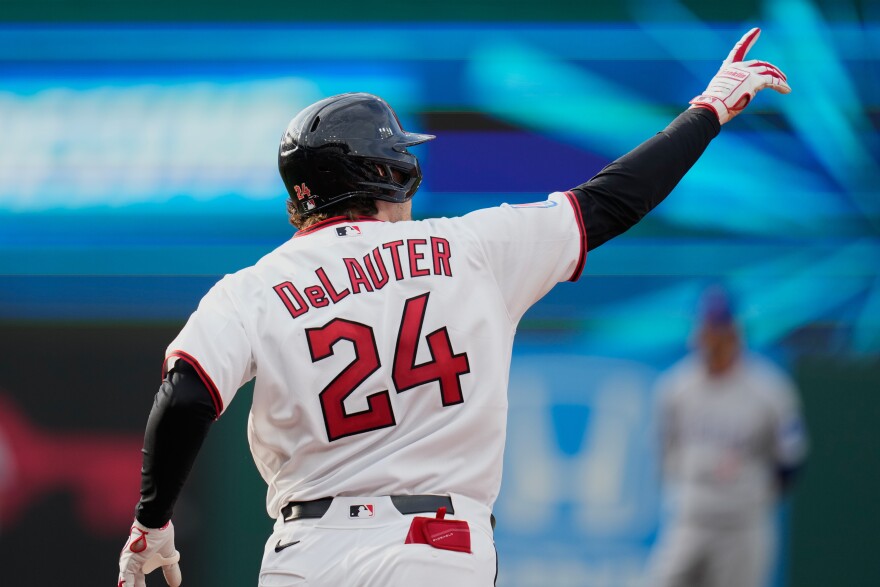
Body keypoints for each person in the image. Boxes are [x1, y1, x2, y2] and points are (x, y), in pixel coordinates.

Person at [117, 28, 791, 587]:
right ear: (384, 171)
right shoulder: (471, 246)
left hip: (305, 554)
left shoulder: (254, 287)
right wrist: (708, 110)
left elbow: (185, 397)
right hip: (435, 546)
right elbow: (610, 200)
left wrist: (152, 520)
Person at [647, 285, 808, 587]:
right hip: (690, 520)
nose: (712, 337)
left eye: (719, 327)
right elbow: (663, 452)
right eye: (708, 326)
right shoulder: (676, 388)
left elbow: (790, 460)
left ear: (735, 331)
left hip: (742, 525)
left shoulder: (769, 389)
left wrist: (755, 496)